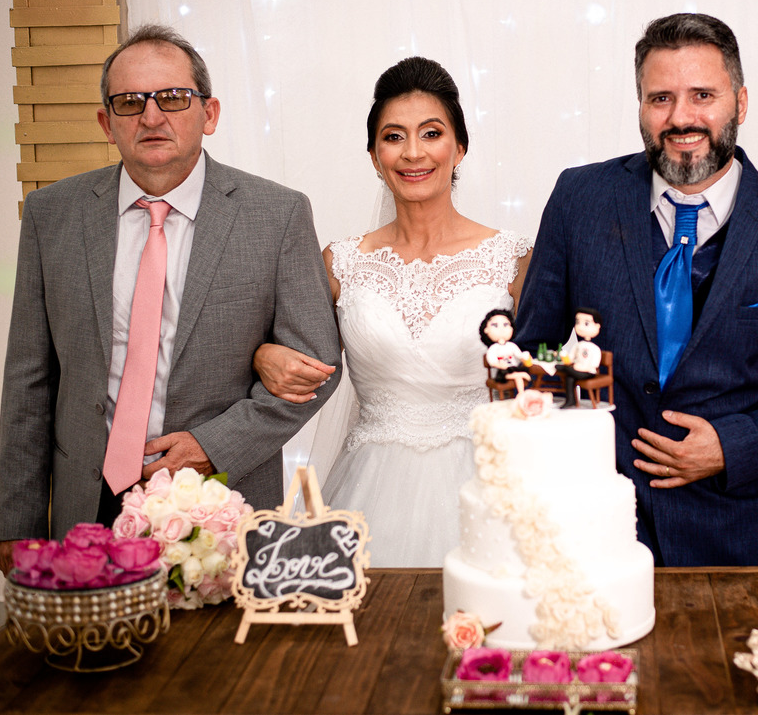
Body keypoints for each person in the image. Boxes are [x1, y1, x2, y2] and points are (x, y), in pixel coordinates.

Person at [0, 24, 342, 574]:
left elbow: (316, 368)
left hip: (218, 499)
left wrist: (213, 445)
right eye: (130, 102)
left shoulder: (277, 215)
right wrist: (18, 520)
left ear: (209, 113)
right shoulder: (51, 215)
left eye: (173, 97)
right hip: (86, 503)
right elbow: (28, 378)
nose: (151, 117)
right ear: (107, 123)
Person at [514, 13, 758, 566]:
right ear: (640, 105)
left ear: (740, 102)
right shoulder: (578, 198)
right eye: (660, 98)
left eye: (702, 95)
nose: (681, 117)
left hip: (741, 535)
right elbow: (533, 350)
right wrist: (591, 435)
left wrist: (733, 446)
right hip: (598, 529)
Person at [253, 57, 532, 567]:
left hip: (490, 485)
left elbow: (548, 377)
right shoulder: (340, 262)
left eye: (431, 133)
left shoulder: (512, 260)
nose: (413, 152)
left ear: (459, 147)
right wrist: (262, 354)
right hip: (367, 488)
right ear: (374, 156)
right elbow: (298, 352)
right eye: (394, 137)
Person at [556, 307, 603, 408]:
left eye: (586, 323)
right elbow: (571, 358)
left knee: (567, 370)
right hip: (576, 370)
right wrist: (563, 357)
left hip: (588, 372)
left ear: (597, 326)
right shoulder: (578, 346)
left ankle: (564, 369)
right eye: (578, 322)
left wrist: (580, 367)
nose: (580, 327)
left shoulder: (595, 349)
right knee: (569, 378)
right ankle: (571, 400)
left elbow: (594, 365)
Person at [480, 308, 532, 392]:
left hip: (513, 368)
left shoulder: (512, 346)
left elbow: (518, 355)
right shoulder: (493, 348)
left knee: (520, 372)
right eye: (495, 325)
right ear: (486, 330)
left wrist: (524, 356)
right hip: (503, 371)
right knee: (516, 376)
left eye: (505, 324)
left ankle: (521, 393)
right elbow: (492, 361)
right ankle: (521, 385)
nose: (501, 329)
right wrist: (498, 364)